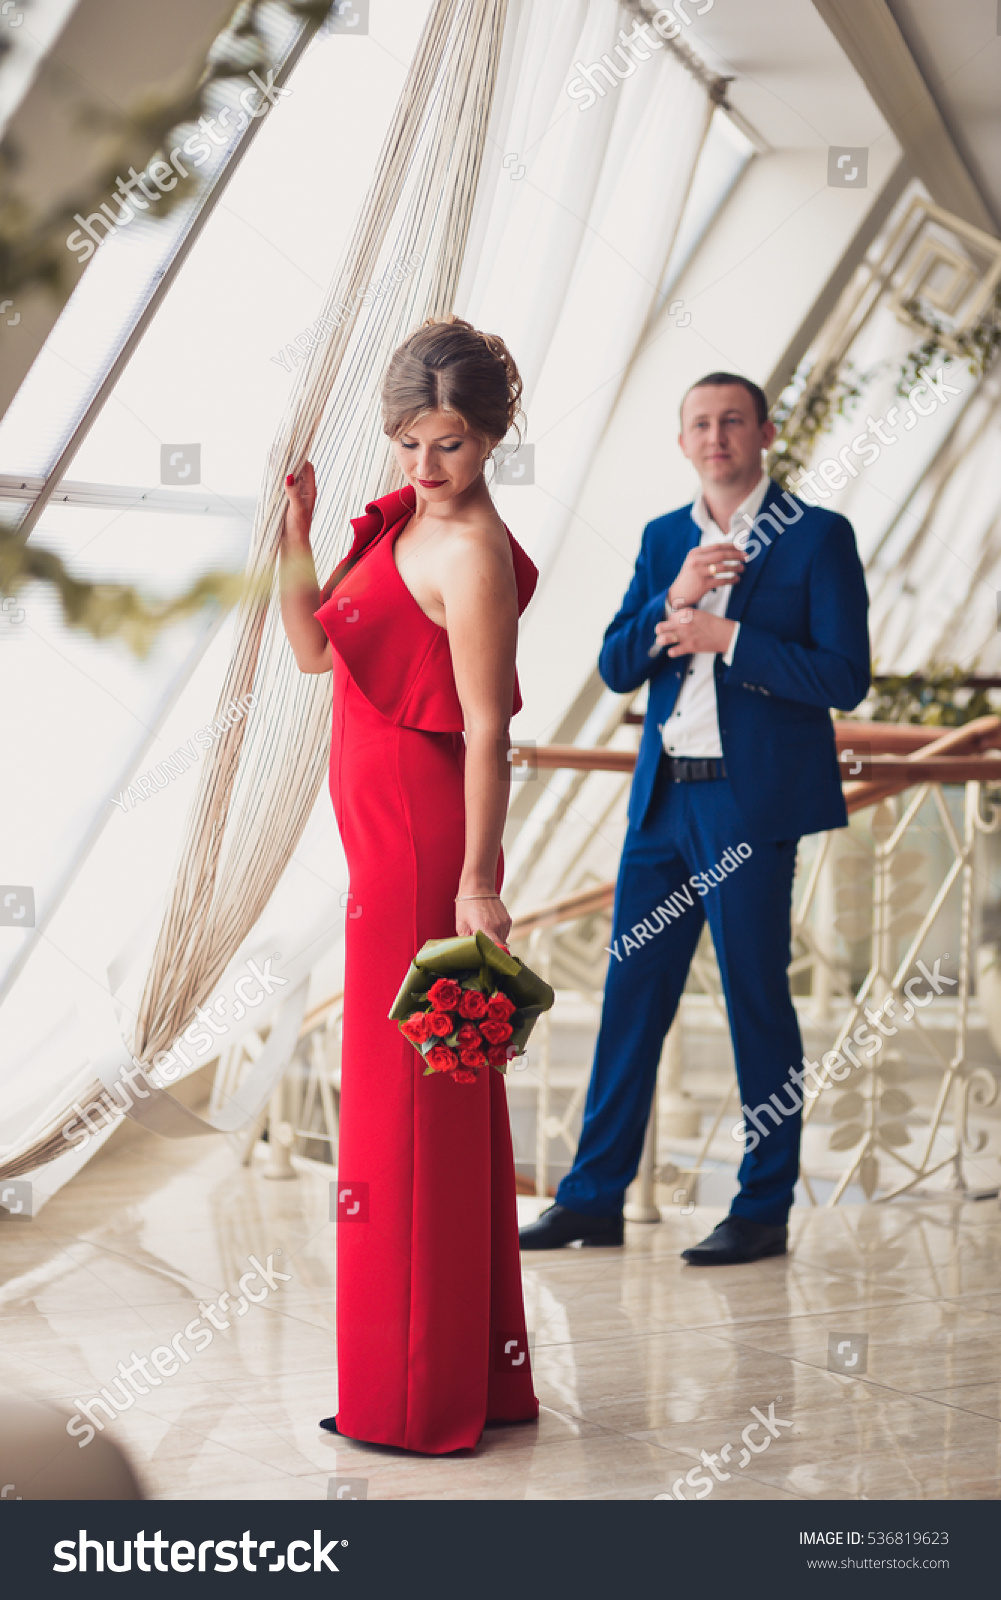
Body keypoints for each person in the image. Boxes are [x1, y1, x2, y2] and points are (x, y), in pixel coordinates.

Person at [519, 372, 870, 1265]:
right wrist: (670, 603)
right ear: (681, 442)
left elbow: (842, 678)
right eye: (698, 424)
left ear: (764, 433)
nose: (714, 437)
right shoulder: (661, 538)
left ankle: (760, 1209)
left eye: (731, 422)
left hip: (748, 805)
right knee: (629, 999)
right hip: (662, 801)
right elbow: (613, 667)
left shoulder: (818, 538)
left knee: (756, 1000)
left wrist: (732, 641)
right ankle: (592, 1199)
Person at [280, 317, 539, 1451]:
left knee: (407, 1122)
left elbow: (488, 732)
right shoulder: (395, 520)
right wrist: (296, 535)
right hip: (375, 851)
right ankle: (474, 1378)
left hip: (427, 858)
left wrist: (477, 882)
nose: (425, 467)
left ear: (489, 438)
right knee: (433, 1104)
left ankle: (413, 1397)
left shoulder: (471, 552)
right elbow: (307, 653)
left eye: (449, 445)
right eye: (407, 443)